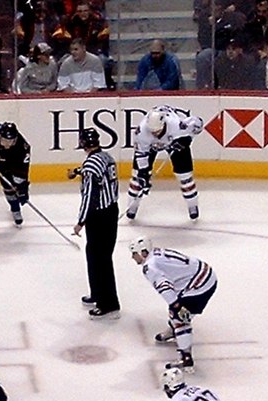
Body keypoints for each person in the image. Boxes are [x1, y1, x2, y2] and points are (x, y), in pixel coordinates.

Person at [129, 237, 217, 371]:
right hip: (205, 275)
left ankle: (185, 357)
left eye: (134, 253)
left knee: (178, 317)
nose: (133, 257)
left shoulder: (150, 267)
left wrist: (177, 306)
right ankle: (174, 330)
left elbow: (165, 287)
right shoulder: (156, 253)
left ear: (143, 252)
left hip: (199, 284)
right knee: (178, 309)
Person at [71, 127, 120, 319]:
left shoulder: (91, 166)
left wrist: (81, 221)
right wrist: (77, 172)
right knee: (98, 256)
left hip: (98, 216)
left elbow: (90, 196)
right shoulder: (107, 157)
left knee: (99, 259)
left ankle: (108, 303)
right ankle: (98, 293)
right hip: (111, 211)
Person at [126, 105, 204, 221]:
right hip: (151, 146)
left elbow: (198, 124)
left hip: (175, 142)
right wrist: (143, 173)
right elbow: (141, 154)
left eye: (157, 131)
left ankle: (192, 205)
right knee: (138, 177)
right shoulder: (141, 132)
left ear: (164, 125)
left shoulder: (177, 126)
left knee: (185, 177)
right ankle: (131, 207)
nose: (155, 134)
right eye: (152, 132)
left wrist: (186, 139)